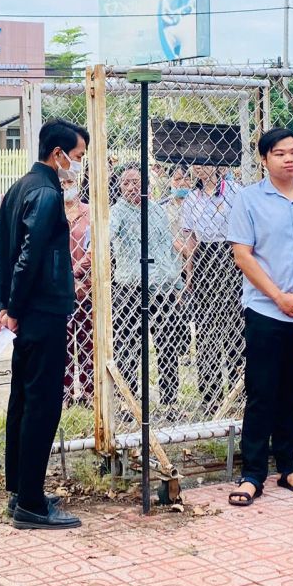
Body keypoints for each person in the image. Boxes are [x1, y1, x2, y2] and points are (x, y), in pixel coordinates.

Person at [224, 127, 293, 507]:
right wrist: (279, 297)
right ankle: (253, 473)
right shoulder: (249, 200)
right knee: (261, 392)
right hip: (266, 311)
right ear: (264, 159)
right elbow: (243, 255)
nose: (289, 159)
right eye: (279, 153)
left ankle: (289, 466)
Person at [0, 120, 87, 529]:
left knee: (23, 398)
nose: (78, 164)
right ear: (58, 154)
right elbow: (28, 256)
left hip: (25, 311)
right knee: (43, 404)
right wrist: (14, 307)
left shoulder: (19, 188)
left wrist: (5, 305)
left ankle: (21, 490)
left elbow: (3, 253)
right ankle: (31, 503)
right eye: (78, 156)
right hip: (42, 310)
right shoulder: (47, 193)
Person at [111, 166, 185, 409]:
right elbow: (107, 235)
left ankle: (170, 401)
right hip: (130, 288)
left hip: (161, 287)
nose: (131, 187)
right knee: (128, 346)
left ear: (146, 184)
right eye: (126, 183)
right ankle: (128, 401)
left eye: (136, 181)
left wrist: (176, 282)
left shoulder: (157, 210)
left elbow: (167, 249)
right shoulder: (117, 212)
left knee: (167, 343)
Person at [183, 164, 243, 413]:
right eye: (195, 163)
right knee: (206, 327)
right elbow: (189, 237)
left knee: (235, 324)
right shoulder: (191, 198)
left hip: (230, 253)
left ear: (218, 165)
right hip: (204, 256)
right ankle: (211, 395)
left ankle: (239, 392)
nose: (199, 167)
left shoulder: (235, 191)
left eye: (204, 161)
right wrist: (189, 271)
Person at [61, 168, 94, 406]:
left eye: (70, 182)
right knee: (61, 344)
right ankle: (63, 393)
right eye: (62, 183)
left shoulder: (89, 212)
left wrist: (75, 273)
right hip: (60, 289)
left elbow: (94, 249)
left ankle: (90, 392)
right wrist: (64, 276)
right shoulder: (53, 213)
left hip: (86, 286)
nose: (66, 186)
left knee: (87, 342)